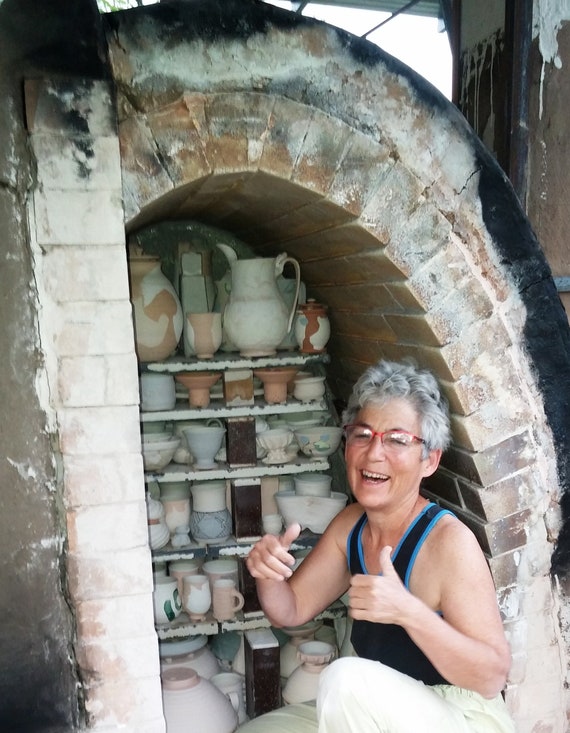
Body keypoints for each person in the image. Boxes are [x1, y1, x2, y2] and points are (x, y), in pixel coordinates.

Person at [239, 359, 515, 733]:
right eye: (362, 434)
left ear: (429, 460)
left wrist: (408, 612)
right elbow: (291, 610)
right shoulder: (351, 525)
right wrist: (267, 574)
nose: (374, 454)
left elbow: (491, 677)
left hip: (459, 716)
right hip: (374, 708)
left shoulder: (448, 543)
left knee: (344, 681)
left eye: (398, 439)